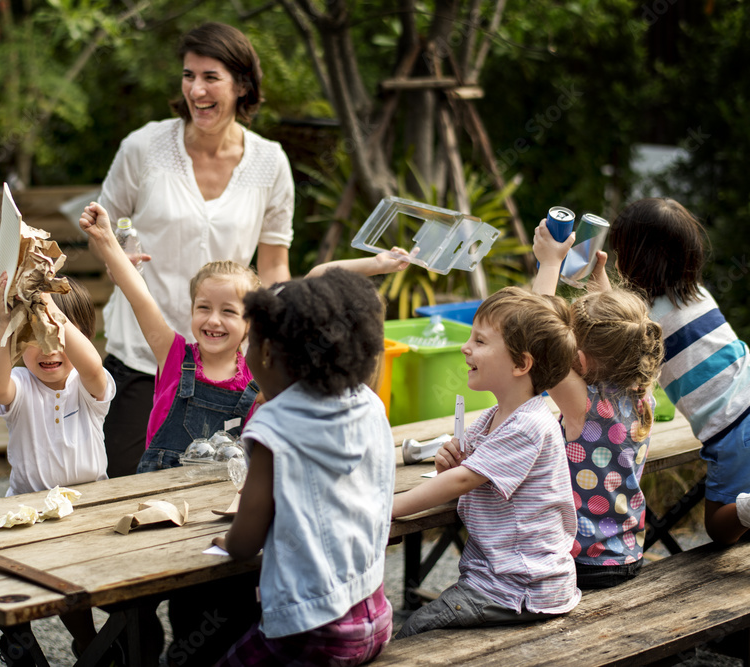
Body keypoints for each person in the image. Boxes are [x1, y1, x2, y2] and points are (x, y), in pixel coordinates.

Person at [97, 21, 294, 479]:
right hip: (142, 354)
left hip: (228, 363)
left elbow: (274, 265)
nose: (196, 90)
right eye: (189, 75)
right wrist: (122, 253)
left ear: (242, 85)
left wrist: (274, 350)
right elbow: (106, 226)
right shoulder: (142, 147)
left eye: (211, 77)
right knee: (126, 488)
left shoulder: (270, 162)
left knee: (220, 487)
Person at [212, 269, 396, 666]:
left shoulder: (273, 428)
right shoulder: (368, 404)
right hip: (375, 613)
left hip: (313, 631)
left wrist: (227, 541)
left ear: (265, 353)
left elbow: (245, 543)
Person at [392, 286, 581, 637]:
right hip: (507, 581)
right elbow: (466, 476)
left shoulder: (528, 426)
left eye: (480, 341)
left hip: (519, 588)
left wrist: (385, 508)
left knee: (413, 632)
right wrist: (451, 466)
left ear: (521, 364)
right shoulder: (495, 417)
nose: (466, 347)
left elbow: (464, 482)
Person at [0, 273, 116, 665]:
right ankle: (20, 644)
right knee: (8, 583)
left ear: (80, 337)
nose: (49, 348)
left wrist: (52, 312)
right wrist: (6, 322)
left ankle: (91, 642)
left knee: (74, 587)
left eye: (59, 335)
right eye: (34, 338)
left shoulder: (90, 385)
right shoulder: (20, 385)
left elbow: (90, 363)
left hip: (92, 509)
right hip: (30, 513)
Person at [603, 197, 750, 544]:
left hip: (732, 431)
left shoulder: (646, 321)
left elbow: (616, 331)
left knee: (720, 528)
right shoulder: (697, 294)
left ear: (635, 259)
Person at [80, 201, 260, 472]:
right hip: (160, 495)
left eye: (228, 311)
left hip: (219, 501)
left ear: (249, 323)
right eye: (203, 307)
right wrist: (106, 239)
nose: (213, 320)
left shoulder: (257, 382)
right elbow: (139, 298)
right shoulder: (174, 354)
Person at [534, 222, 665, 588]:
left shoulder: (584, 405)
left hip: (581, 564)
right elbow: (623, 335)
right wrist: (598, 276)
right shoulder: (642, 392)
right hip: (626, 555)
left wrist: (549, 264)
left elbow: (540, 332)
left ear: (581, 360)